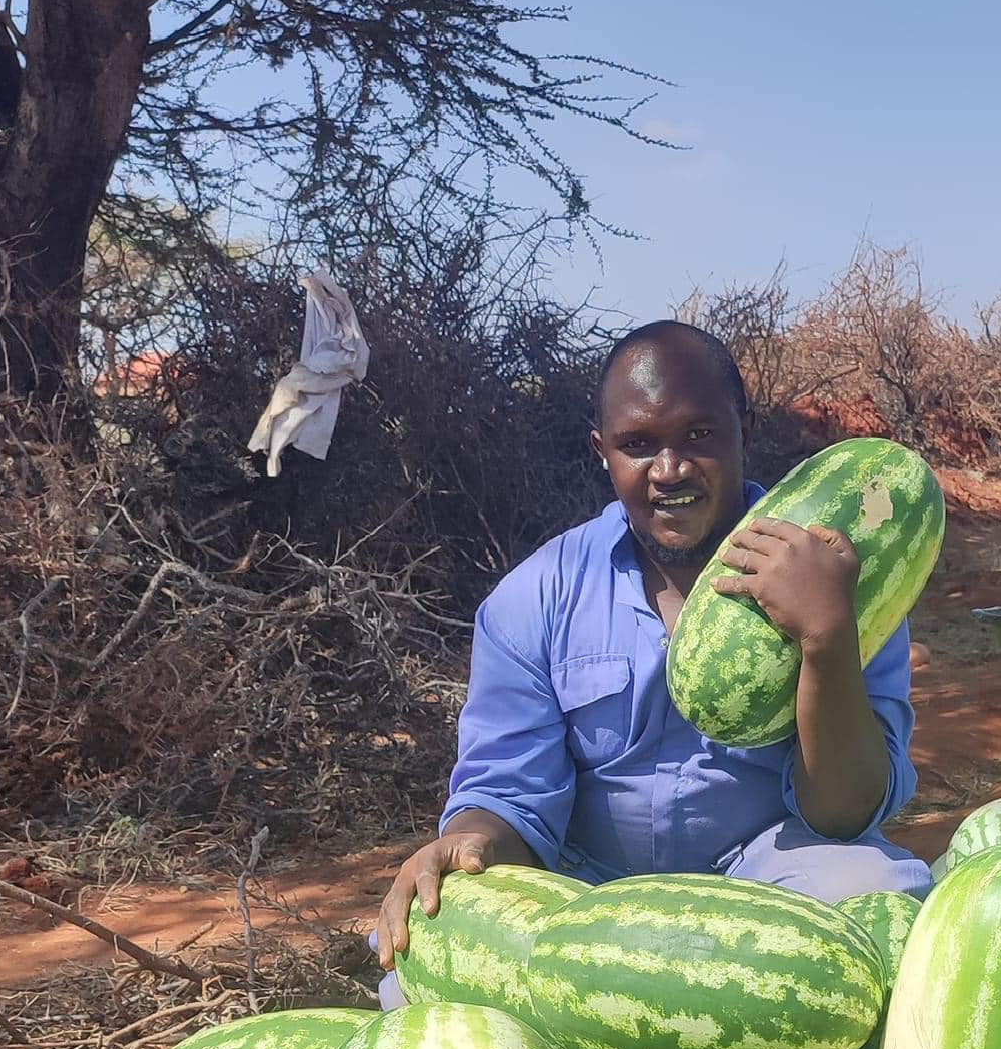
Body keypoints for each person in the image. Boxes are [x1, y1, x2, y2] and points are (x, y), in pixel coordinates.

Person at [373, 319, 930, 1001]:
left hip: (770, 881)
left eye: (698, 436)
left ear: (742, 430)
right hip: (584, 898)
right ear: (602, 452)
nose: (670, 471)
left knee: (878, 908)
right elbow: (507, 797)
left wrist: (826, 638)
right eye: (639, 445)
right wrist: (468, 844)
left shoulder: (840, 576)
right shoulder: (535, 597)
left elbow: (845, 814)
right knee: (422, 964)